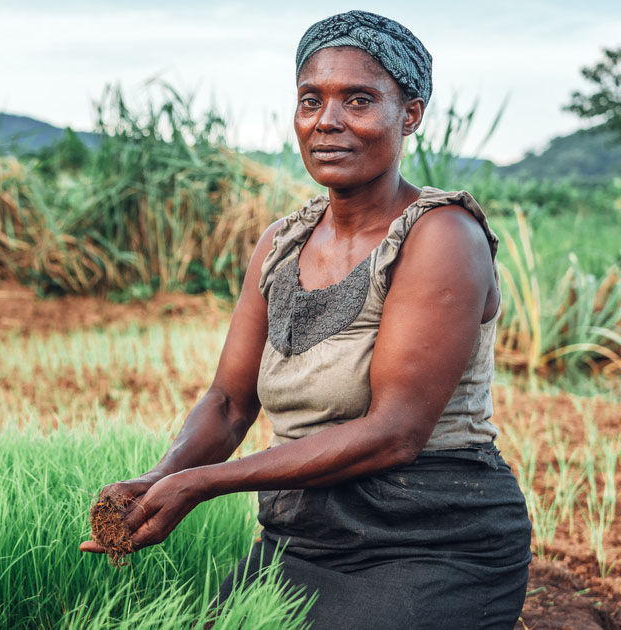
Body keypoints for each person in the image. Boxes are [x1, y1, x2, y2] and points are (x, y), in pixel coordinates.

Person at [79, 10, 531, 630]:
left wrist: (204, 484)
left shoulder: (441, 235)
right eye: (311, 100)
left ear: (411, 114)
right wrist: (159, 478)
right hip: (301, 538)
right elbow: (229, 403)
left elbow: (395, 431)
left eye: (360, 100)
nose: (328, 121)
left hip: (432, 535)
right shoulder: (280, 244)